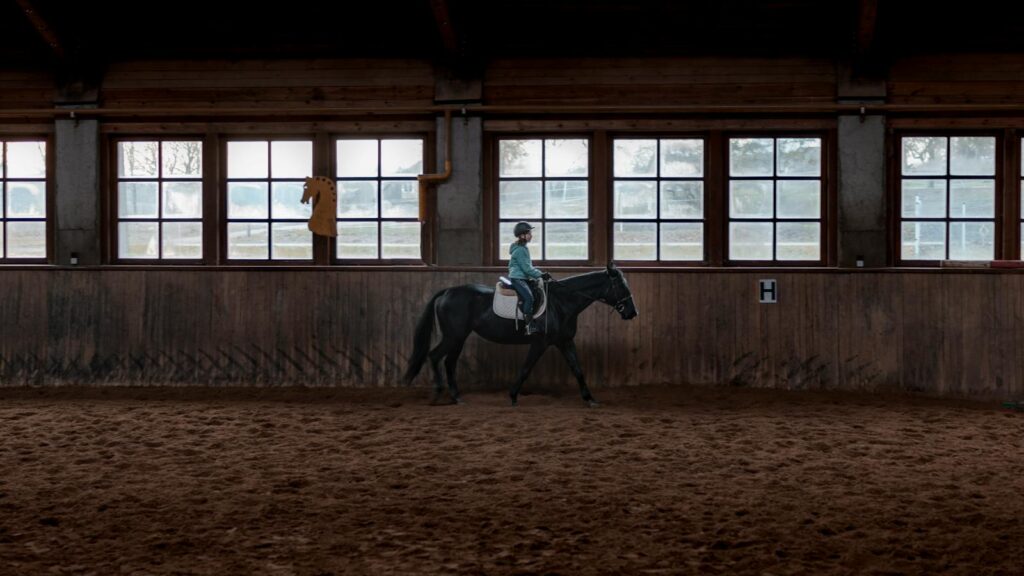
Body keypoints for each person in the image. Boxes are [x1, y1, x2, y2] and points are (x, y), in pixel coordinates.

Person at [508, 222, 552, 334]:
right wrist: (540, 275)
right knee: (529, 298)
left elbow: (528, 267)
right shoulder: (520, 250)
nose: (531, 235)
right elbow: (527, 268)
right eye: (529, 233)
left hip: (523, 277)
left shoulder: (523, 247)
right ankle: (529, 325)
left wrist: (539, 273)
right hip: (518, 278)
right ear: (522, 235)